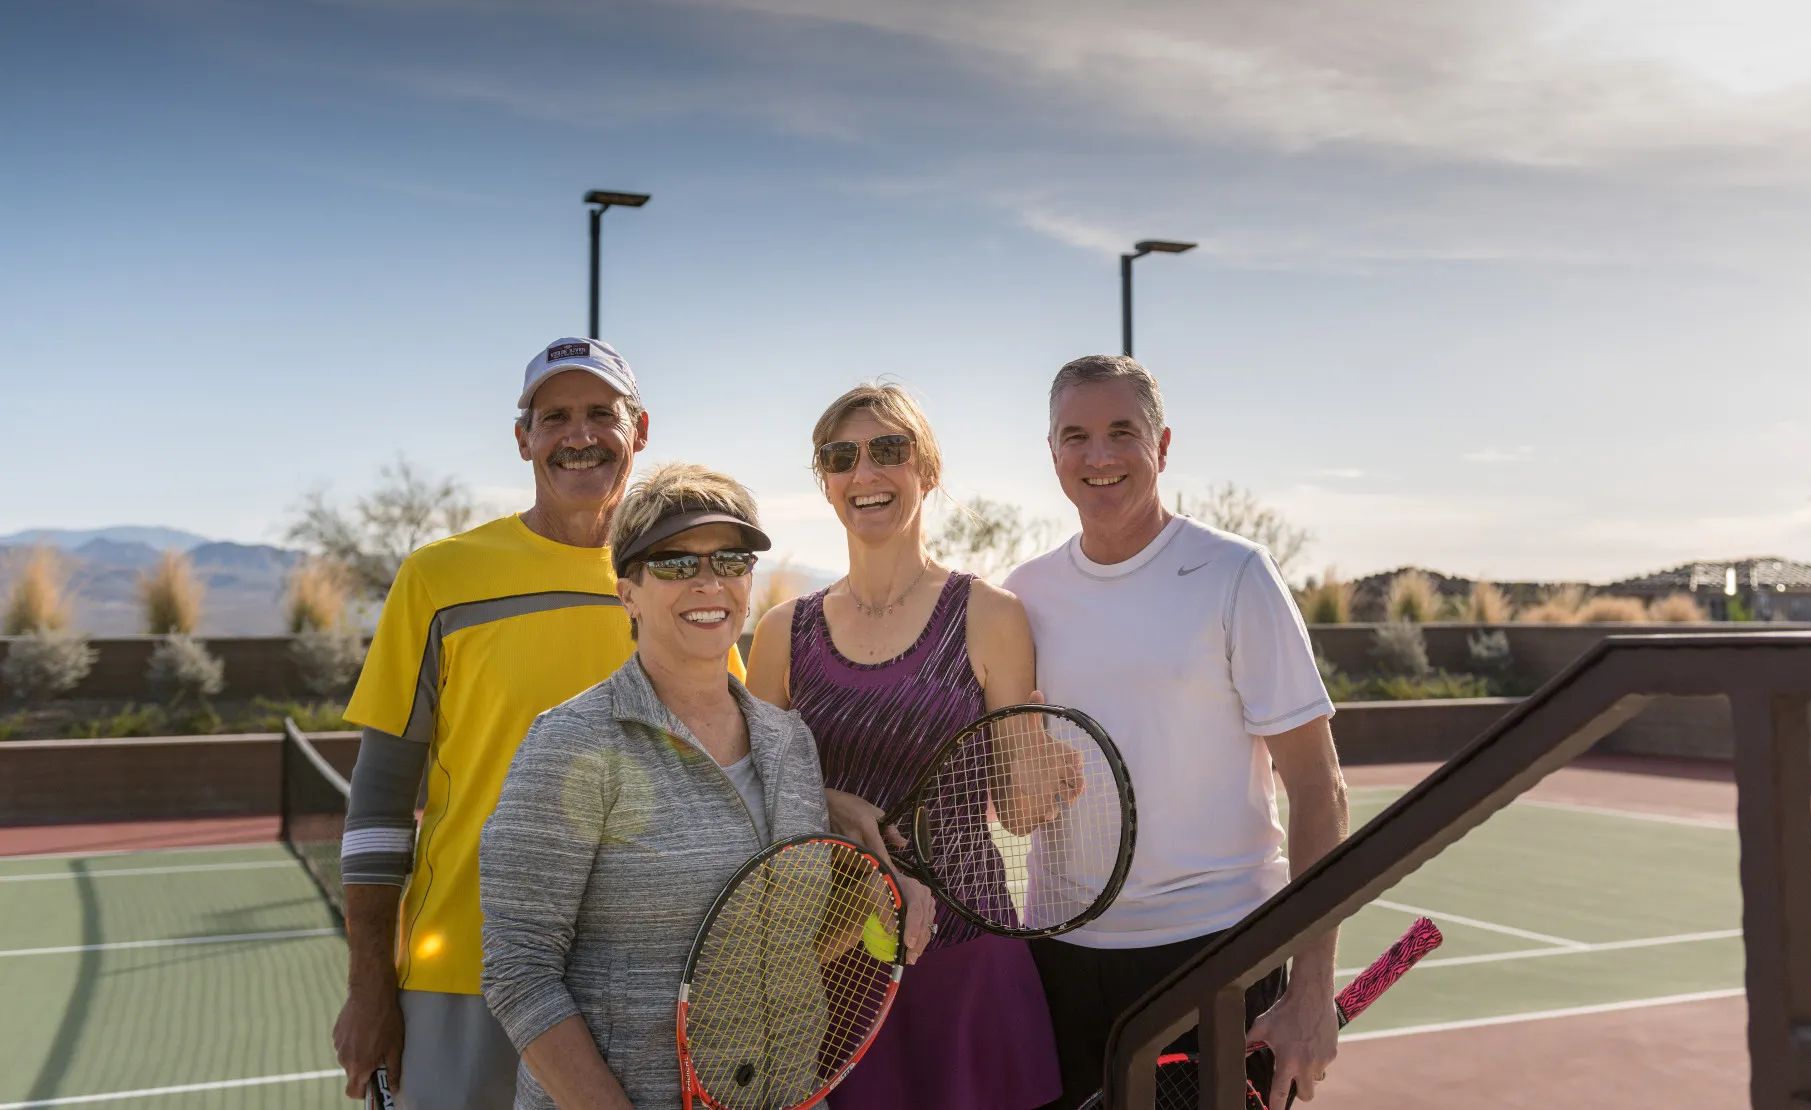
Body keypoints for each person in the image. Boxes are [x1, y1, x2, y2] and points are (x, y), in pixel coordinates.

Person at [332, 338, 744, 1108]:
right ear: (524, 438)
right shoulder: (438, 579)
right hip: (462, 975)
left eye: (600, 414)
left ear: (639, 430)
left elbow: (730, 785)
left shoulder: (687, 584)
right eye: (554, 417)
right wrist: (369, 988)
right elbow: (379, 804)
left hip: (636, 991)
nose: (578, 435)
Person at [1005, 354, 1349, 1107]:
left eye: (1121, 432)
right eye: (1075, 436)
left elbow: (1319, 786)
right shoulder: (1022, 595)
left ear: (1161, 447)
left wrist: (1312, 987)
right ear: (1053, 453)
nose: (1098, 455)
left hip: (1217, 958)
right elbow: (1012, 791)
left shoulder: (1237, 575)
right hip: (1059, 959)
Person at [745, 382, 1061, 1110]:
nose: (865, 472)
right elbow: (751, 796)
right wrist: (840, 807)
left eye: (889, 449)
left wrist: (1044, 775)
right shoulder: (782, 632)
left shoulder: (991, 615)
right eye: (840, 457)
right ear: (826, 482)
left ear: (928, 469)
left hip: (969, 959)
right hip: (830, 964)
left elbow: (1018, 812)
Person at [480, 464, 828, 1110]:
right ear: (628, 594)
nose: (709, 582)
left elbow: (787, 943)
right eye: (674, 562)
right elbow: (518, 968)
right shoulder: (572, 740)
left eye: (731, 560)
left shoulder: (790, 742)